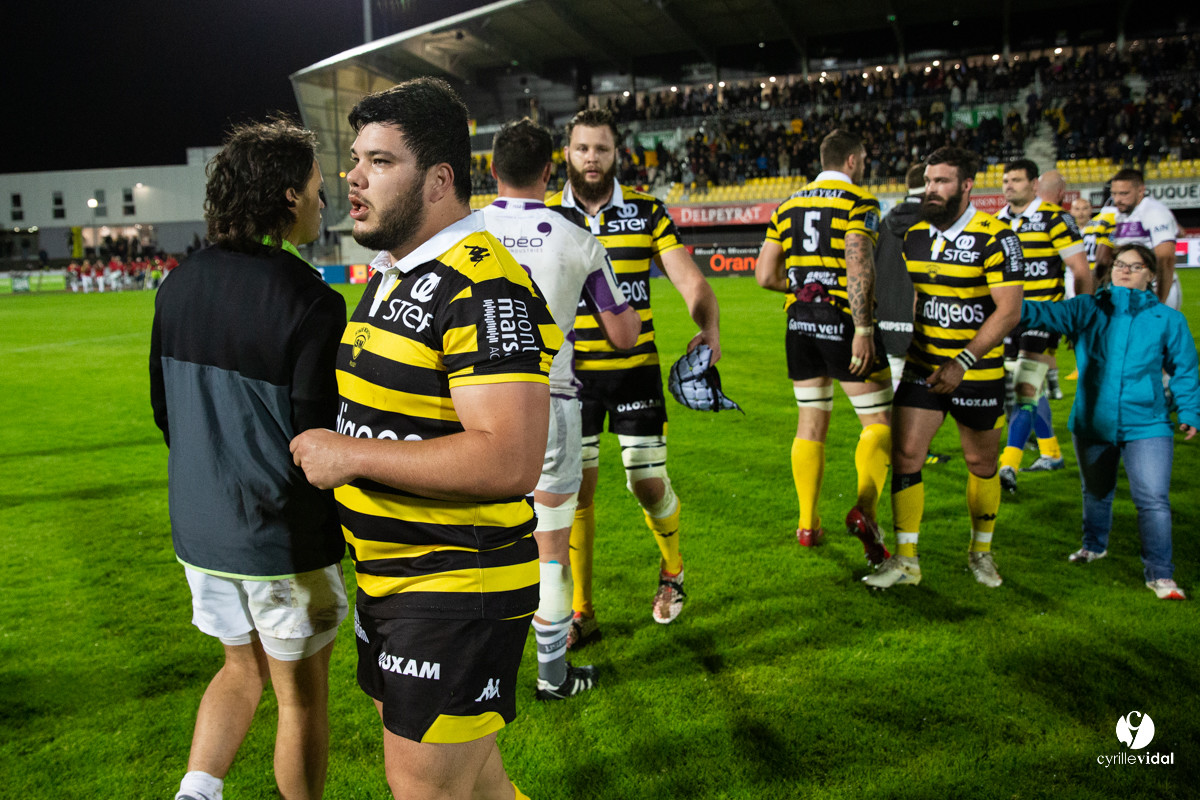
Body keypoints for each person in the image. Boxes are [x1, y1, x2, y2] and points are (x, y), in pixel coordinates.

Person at [289, 78, 558, 800]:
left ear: (440, 179)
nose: (352, 175)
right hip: (393, 577)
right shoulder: (395, 273)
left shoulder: (481, 285)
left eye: (379, 161)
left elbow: (509, 457)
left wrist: (349, 456)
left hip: (452, 588)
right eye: (355, 158)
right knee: (479, 786)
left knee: (426, 789)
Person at [149, 118, 348, 800]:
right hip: (279, 538)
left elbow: (164, 414)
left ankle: (197, 793)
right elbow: (315, 441)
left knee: (240, 669)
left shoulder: (175, 285)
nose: (327, 203)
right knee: (301, 701)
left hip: (200, 532)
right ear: (287, 196)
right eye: (319, 191)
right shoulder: (311, 301)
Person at [480, 118, 641, 700]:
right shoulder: (576, 236)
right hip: (551, 402)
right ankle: (552, 677)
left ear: (491, 169)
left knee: (473, 540)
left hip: (473, 406)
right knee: (551, 548)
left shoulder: (462, 230)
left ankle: (475, 674)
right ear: (552, 172)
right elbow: (624, 334)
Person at [546, 108, 721, 639]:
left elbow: (689, 280)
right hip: (572, 380)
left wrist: (708, 328)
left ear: (616, 153)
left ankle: (673, 569)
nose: (592, 158)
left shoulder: (646, 212)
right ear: (568, 154)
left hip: (636, 370)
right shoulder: (548, 215)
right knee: (579, 491)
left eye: (601, 148)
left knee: (646, 484)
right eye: (582, 149)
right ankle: (581, 611)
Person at [864, 146, 1024, 590]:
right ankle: (906, 560)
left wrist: (964, 360)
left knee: (981, 462)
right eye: (929, 181)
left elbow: (1009, 311)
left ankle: (981, 553)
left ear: (966, 185)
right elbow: (910, 294)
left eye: (942, 182)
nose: (931, 189)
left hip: (977, 369)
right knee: (907, 456)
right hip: (923, 363)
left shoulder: (997, 237)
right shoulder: (913, 234)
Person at [1019, 243, 1199, 600]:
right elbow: (1040, 314)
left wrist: (1191, 411)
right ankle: (1093, 546)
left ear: (1151, 275)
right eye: (1119, 264)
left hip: (1147, 423)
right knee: (1097, 492)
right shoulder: (1088, 308)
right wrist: (1001, 298)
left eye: (1134, 266)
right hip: (1092, 421)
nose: (1124, 271)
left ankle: (1161, 575)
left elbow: (1185, 370)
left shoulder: (1168, 319)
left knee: (1153, 500)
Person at [755, 129, 892, 565]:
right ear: (852, 160)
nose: (865, 163)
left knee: (811, 421)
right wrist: (863, 327)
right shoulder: (860, 203)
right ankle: (865, 511)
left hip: (799, 321)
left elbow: (764, 275)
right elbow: (858, 263)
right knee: (881, 421)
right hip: (841, 321)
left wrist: (802, 291)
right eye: (864, 157)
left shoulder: (789, 204)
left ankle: (807, 525)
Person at [994, 160, 1092, 493]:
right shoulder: (998, 222)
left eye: (1016, 180)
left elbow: (1080, 271)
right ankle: (1050, 451)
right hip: (1008, 319)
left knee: (1024, 386)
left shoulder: (1055, 219)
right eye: (1006, 180)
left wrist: (1081, 318)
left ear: (1034, 184)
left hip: (1044, 318)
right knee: (1022, 389)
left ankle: (1008, 466)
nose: (1009, 186)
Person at [876, 163, 953, 466]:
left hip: (886, 317)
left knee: (897, 383)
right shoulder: (935, 223)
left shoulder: (884, 222)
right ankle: (912, 448)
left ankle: (894, 446)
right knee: (922, 389)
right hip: (922, 318)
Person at [1095, 168, 1181, 309]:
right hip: (1128, 291)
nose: (1118, 200)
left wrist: (1159, 299)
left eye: (1124, 194)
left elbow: (1166, 259)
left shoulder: (1154, 212)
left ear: (1140, 191)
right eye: (1114, 194)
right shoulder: (1117, 214)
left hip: (1152, 289)